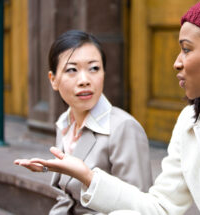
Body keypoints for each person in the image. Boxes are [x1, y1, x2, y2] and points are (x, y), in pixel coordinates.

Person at [15, 0, 200, 214]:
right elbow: (159, 207)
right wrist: (87, 175)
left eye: (186, 49)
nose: (177, 61)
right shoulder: (191, 121)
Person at [14, 30, 153, 215]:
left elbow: (140, 206)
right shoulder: (64, 123)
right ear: (53, 80)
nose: (84, 80)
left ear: (104, 72)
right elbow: (67, 198)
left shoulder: (124, 128)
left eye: (94, 68)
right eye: (72, 70)